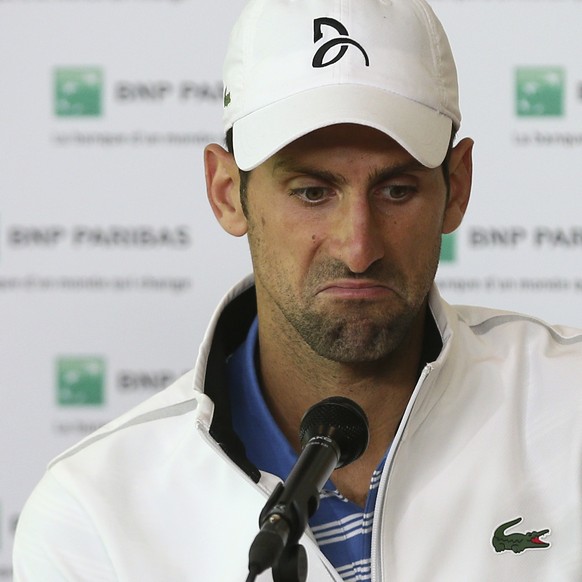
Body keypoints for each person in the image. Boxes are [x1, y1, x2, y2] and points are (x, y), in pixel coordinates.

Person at [13, 0, 582, 580]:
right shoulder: (94, 518)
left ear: (455, 187)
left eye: (396, 190)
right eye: (312, 192)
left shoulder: (570, 408)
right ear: (227, 192)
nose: (358, 248)